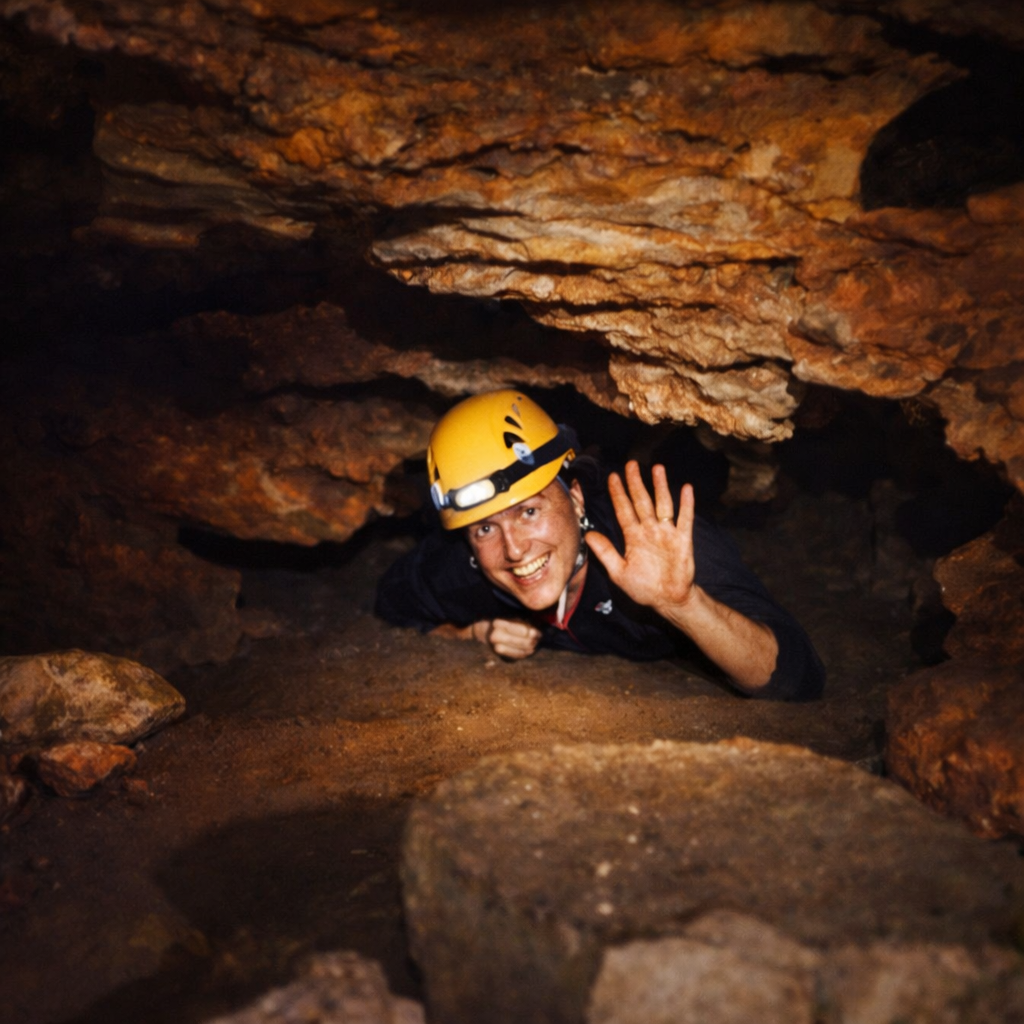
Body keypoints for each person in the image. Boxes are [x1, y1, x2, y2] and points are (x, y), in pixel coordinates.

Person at [375, 389, 824, 700]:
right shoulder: (465, 567)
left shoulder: (657, 543)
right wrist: (474, 632)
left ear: (574, 496)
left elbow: (797, 678)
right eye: (484, 529)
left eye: (528, 512)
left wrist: (684, 604)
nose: (513, 550)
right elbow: (392, 602)